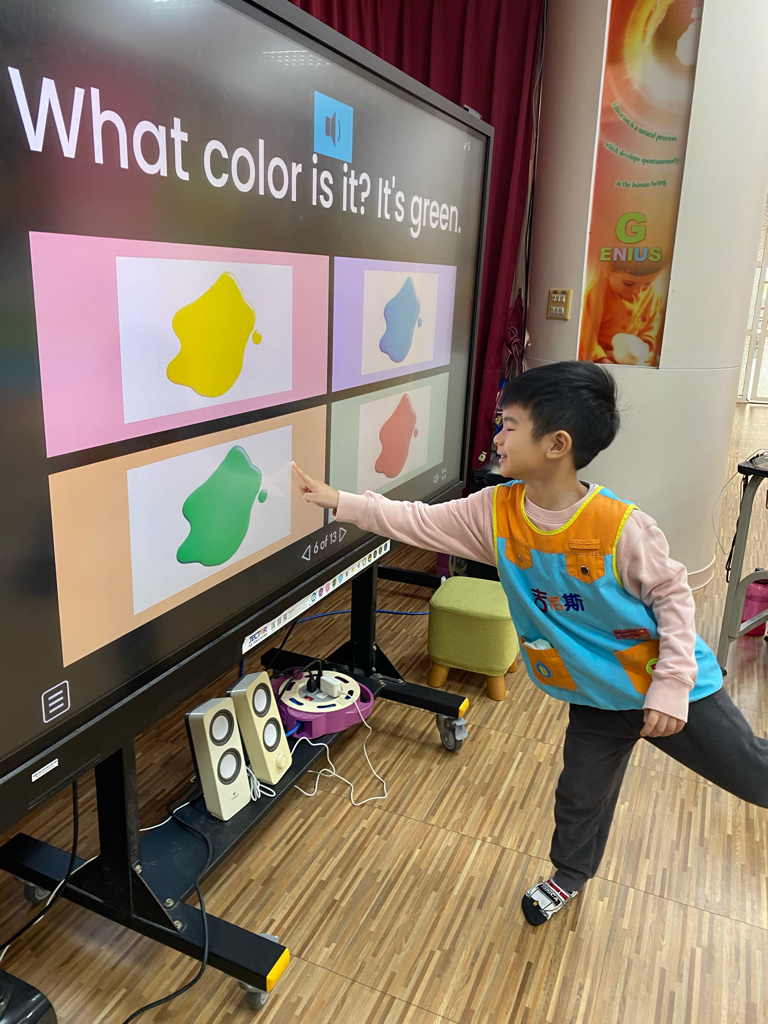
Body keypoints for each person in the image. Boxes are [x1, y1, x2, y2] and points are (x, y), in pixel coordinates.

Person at [291, 361, 768, 926]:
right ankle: (569, 875)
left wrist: (671, 684)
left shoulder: (622, 525)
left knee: (750, 773)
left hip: (672, 689)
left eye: (510, 425)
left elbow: (674, 598)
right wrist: (339, 500)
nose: (497, 436)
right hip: (595, 695)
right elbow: (416, 521)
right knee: (580, 795)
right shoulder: (494, 510)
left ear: (556, 444)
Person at [579, 260, 666, 365]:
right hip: (598, 359)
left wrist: (644, 347)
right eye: (628, 284)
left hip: (630, 359)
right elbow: (586, 335)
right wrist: (601, 358)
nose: (638, 291)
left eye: (647, 283)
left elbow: (651, 327)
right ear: (608, 270)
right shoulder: (597, 292)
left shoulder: (653, 296)